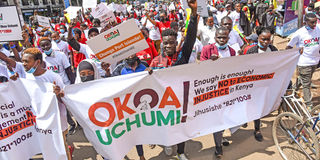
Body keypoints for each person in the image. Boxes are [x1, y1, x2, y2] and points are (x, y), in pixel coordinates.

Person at [149, 0, 198, 159]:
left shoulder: (182, 57)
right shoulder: (155, 62)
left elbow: (190, 37)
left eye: (172, 42)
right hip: (162, 103)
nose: (169, 45)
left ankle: (181, 152)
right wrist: (148, 73)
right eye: (166, 43)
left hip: (179, 101)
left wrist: (194, 13)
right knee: (166, 127)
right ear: (161, 44)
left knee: (180, 128)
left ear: (176, 43)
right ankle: (167, 142)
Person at [20, 48, 71, 160]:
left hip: (57, 123)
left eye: (27, 61)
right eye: (23, 61)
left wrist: (58, 94)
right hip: (39, 123)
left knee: (60, 149)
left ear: (37, 62)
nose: (24, 64)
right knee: (47, 149)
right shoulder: (27, 77)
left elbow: (66, 100)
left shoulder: (54, 77)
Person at [200, 27, 236, 158]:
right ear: (215, 38)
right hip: (212, 91)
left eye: (224, 37)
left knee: (226, 116)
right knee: (217, 118)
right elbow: (200, 68)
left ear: (228, 38)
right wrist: (210, 62)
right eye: (219, 37)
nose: (222, 40)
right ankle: (218, 147)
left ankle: (222, 137)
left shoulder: (232, 51)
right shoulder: (207, 50)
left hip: (227, 90)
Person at [286, 13, 320, 109]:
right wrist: (294, 53)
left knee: (304, 79)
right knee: (306, 84)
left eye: (315, 22)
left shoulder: (318, 28)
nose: (314, 24)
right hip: (304, 62)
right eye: (312, 22)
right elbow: (289, 47)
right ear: (306, 22)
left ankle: (292, 90)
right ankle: (309, 105)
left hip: (315, 61)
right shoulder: (299, 33)